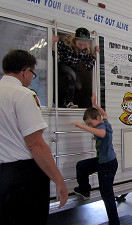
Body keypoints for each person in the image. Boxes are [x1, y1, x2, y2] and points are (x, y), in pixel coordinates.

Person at [0, 49, 68, 225]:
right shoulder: (23, 94)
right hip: (23, 177)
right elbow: (35, 145)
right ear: (26, 71)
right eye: (33, 74)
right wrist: (59, 181)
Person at [71, 93, 120, 225]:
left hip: (108, 165)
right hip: (102, 161)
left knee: (107, 195)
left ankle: (114, 222)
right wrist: (96, 105)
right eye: (88, 124)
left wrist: (81, 126)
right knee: (81, 166)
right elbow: (105, 114)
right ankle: (84, 189)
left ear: (97, 118)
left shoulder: (102, 127)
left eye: (91, 123)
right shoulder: (103, 121)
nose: (91, 126)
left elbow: (102, 134)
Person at [53, 27, 99, 108]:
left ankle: (66, 102)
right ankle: (68, 102)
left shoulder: (84, 51)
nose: (82, 47)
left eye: (84, 45)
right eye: (80, 44)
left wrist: (95, 54)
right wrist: (54, 42)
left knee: (78, 86)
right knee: (71, 76)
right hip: (63, 64)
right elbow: (55, 51)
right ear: (75, 41)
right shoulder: (66, 46)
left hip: (73, 68)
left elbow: (88, 64)